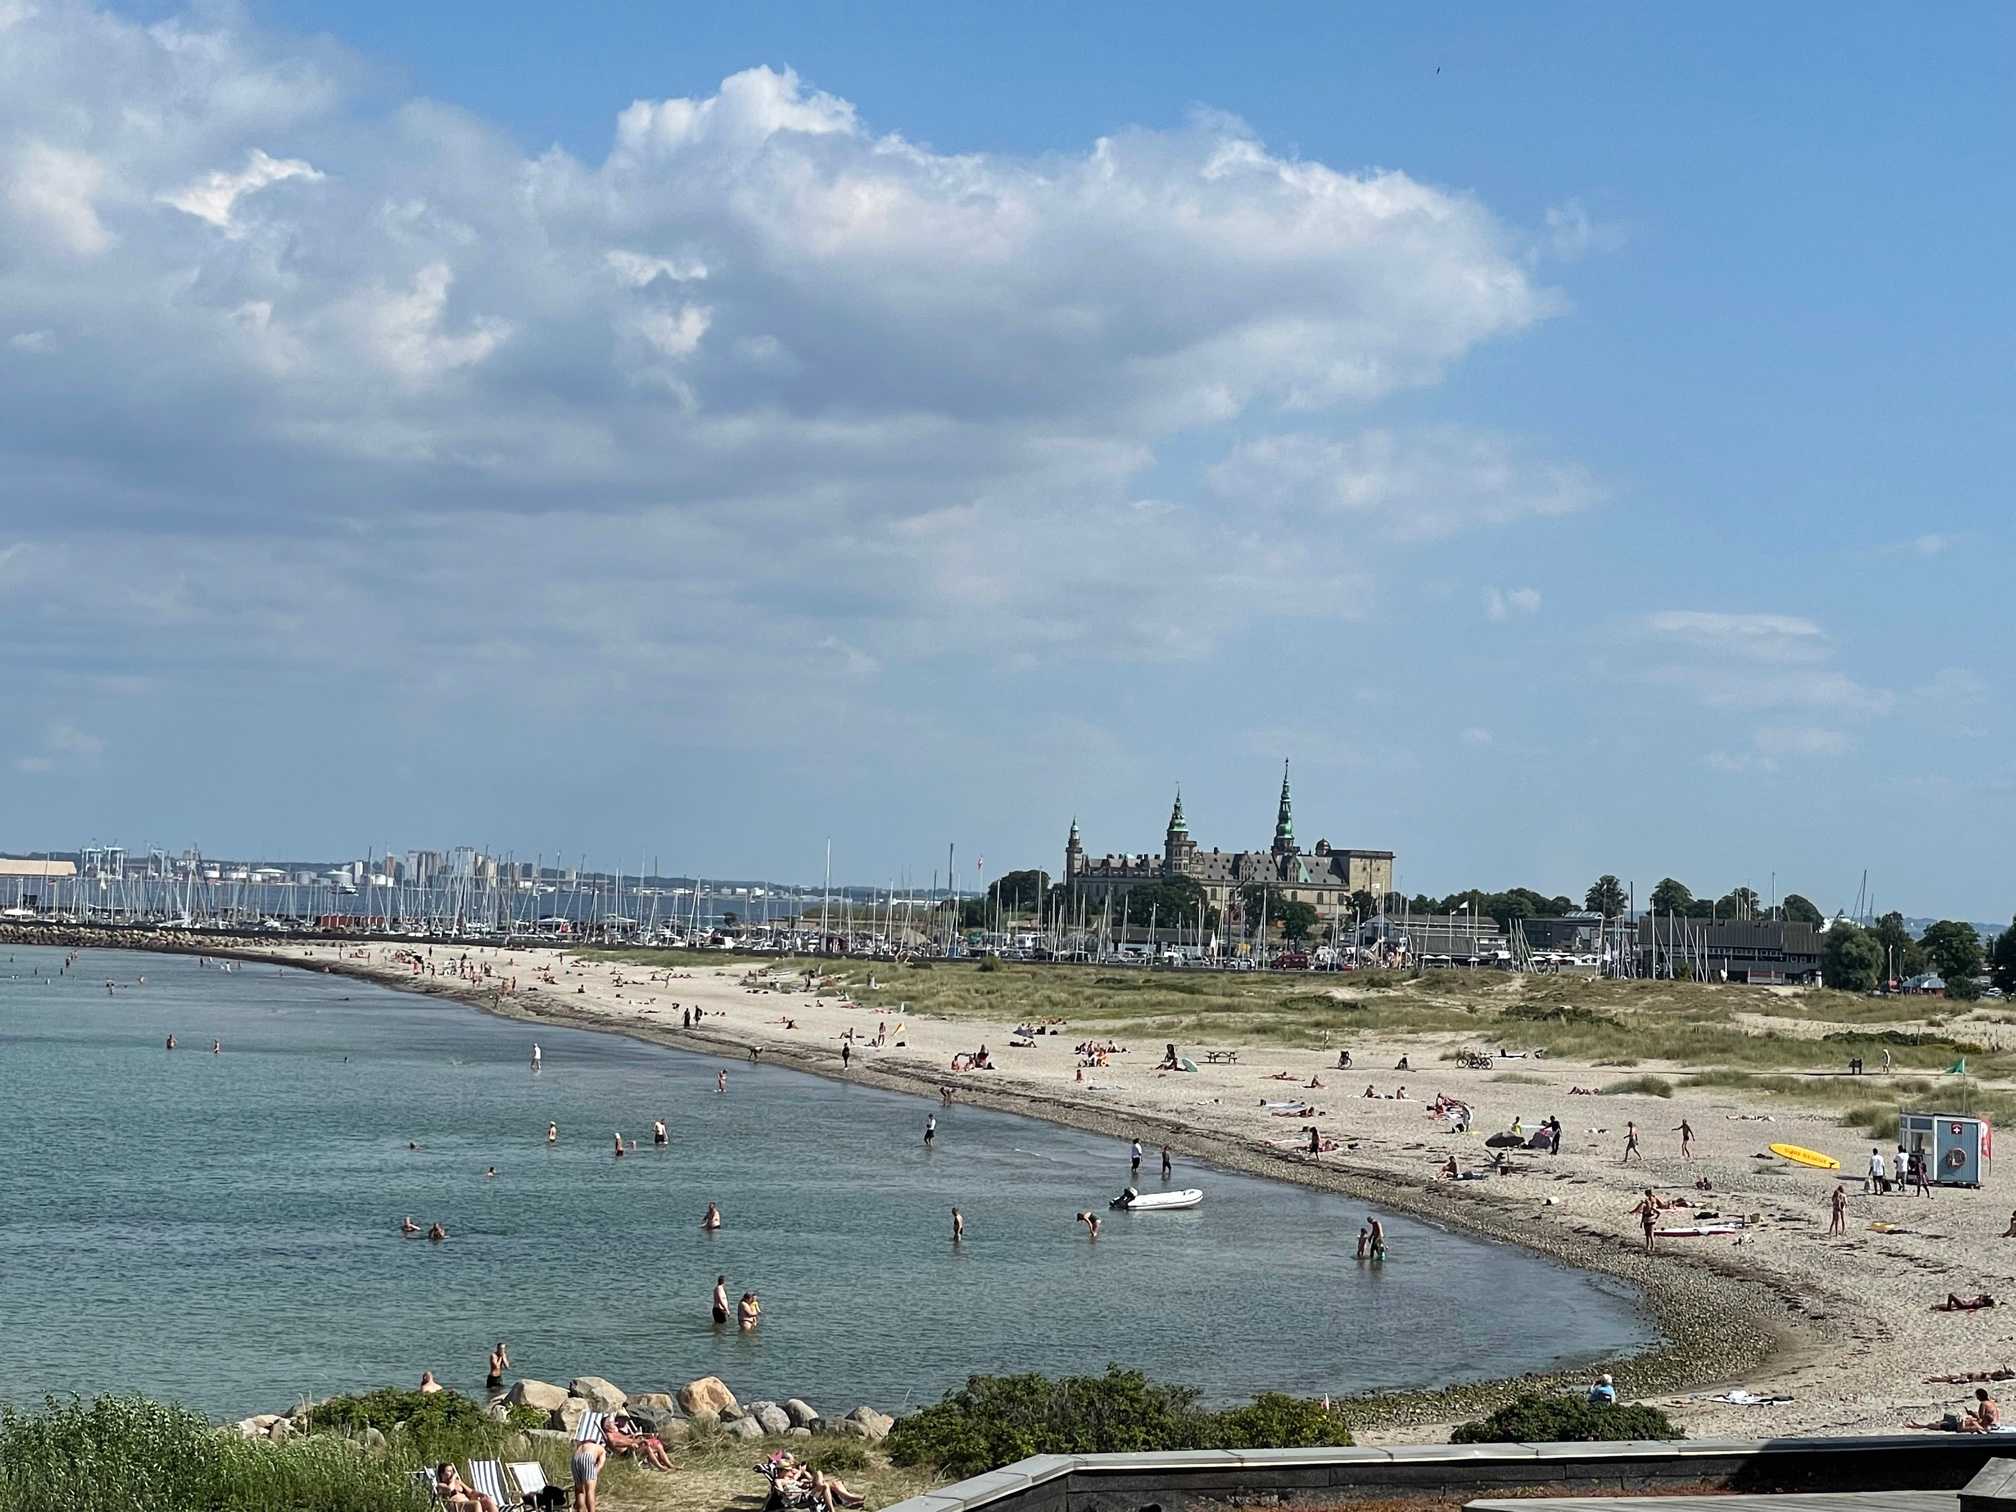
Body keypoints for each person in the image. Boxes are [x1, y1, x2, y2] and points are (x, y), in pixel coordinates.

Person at [606, 1414, 676, 1470]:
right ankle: (660, 1467)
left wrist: (643, 1435)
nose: (615, 1423)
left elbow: (628, 1437)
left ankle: (669, 1465)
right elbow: (614, 1443)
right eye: (612, 1423)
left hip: (633, 1448)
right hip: (627, 1453)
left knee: (658, 1445)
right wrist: (630, 1444)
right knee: (647, 1448)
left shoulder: (616, 1432)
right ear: (607, 1425)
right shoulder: (609, 1435)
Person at [571, 1436, 606, 1512]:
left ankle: (580, 1510)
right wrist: (594, 1474)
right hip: (588, 1456)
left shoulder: (582, 1446)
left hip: (575, 1457)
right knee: (590, 1490)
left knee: (579, 1490)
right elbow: (600, 1464)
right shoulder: (601, 1449)